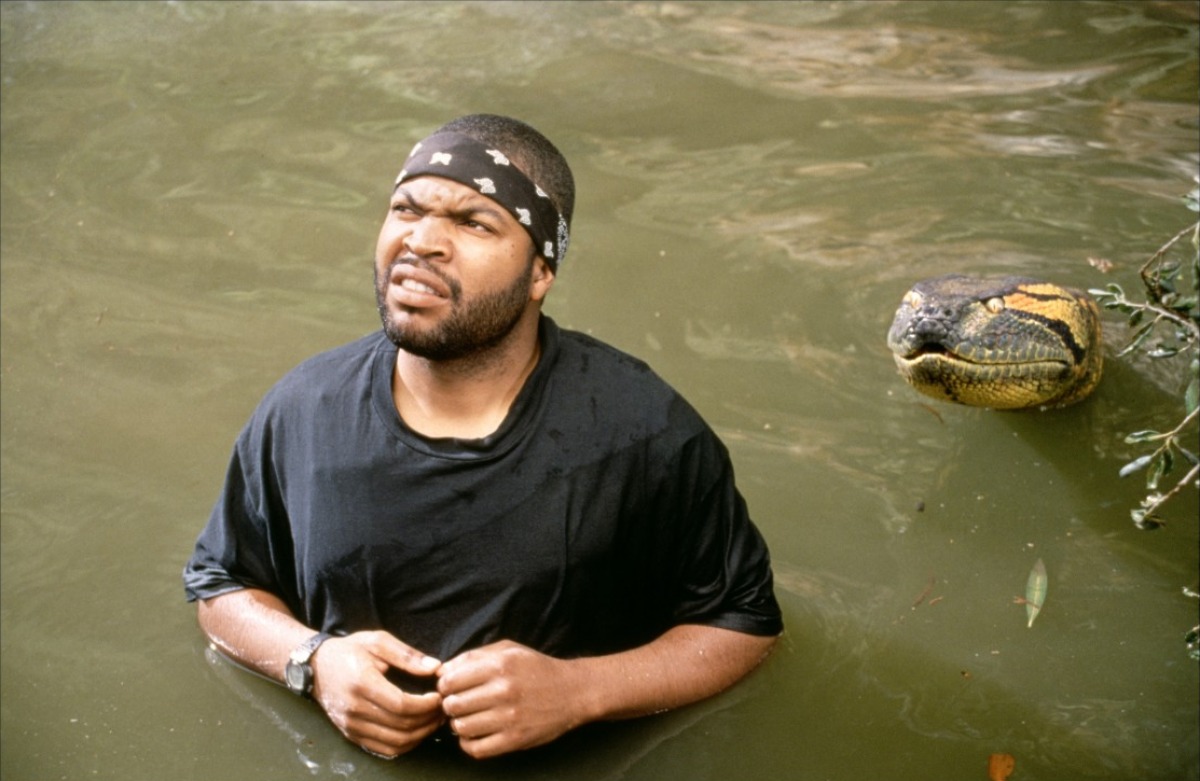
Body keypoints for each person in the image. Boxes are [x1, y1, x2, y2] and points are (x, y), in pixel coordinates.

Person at [183, 113, 783, 761]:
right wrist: (313, 661)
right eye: (405, 209)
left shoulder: (643, 431)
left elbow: (743, 623)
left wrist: (582, 689)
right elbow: (220, 584)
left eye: (473, 222)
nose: (423, 241)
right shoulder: (303, 409)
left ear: (540, 272)